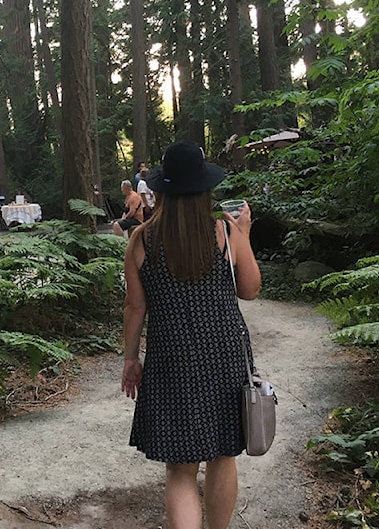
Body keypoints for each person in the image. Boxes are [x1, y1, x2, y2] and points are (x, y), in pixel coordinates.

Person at [121, 141, 261, 529]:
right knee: (224, 455)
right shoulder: (224, 233)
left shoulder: (141, 241)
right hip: (226, 356)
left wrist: (131, 359)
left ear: (161, 190)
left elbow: (135, 307)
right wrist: (244, 235)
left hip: (171, 360)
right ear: (205, 189)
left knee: (181, 470)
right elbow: (250, 290)